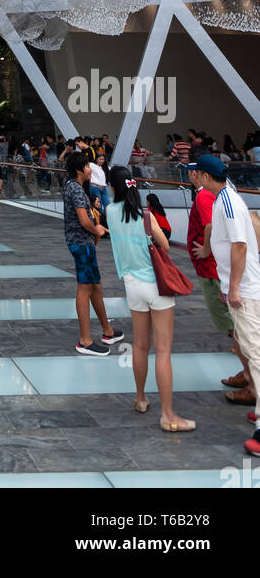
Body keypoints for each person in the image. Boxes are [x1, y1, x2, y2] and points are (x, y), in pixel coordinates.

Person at [104, 166, 195, 430]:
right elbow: (164, 245)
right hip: (157, 286)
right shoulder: (145, 215)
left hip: (132, 286)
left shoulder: (110, 213)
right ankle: (168, 415)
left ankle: (141, 398)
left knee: (140, 346)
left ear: (114, 187)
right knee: (163, 350)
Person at [196, 155, 260, 455]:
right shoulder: (229, 198)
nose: (194, 178)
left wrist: (234, 286)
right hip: (246, 286)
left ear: (207, 177)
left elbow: (240, 245)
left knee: (256, 354)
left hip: (246, 290)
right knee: (250, 348)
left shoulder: (228, 202)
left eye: (197, 174)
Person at [186, 162, 248, 399]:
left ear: (200, 175)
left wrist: (206, 251)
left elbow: (214, 227)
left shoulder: (207, 198)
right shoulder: (223, 197)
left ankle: (251, 381)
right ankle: (247, 373)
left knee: (235, 327)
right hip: (219, 271)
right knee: (236, 327)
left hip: (215, 273)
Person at [62, 151, 123, 356]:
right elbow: (84, 221)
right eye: (87, 166)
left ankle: (108, 331)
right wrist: (97, 229)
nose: (90, 169)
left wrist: (91, 206)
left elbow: (81, 211)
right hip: (82, 243)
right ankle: (85, 341)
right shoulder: (77, 190)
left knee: (95, 285)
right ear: (79, 170)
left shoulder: (72, 186)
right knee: (85, 288)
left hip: (81, 242)